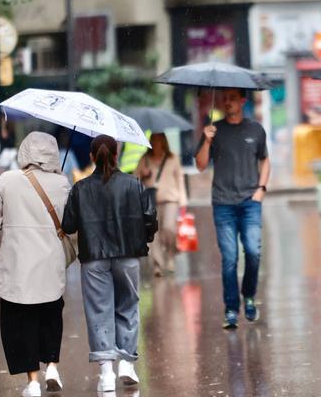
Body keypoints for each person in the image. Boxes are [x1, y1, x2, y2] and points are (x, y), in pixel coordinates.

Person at [61, 135, 157, 393]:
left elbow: (68, 225)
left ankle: (106, 373)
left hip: (93, 257)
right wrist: (143, 239)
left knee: (99, 310)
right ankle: (127, 363)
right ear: (116, 155)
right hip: (128, 255)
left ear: (92, 157)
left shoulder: (80, 189)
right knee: (127, 305)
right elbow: (150, 218)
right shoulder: (133, 184)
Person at [0, 132, 72, 397]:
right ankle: (53, 366)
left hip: (17, 265)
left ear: (24, 151)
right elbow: (70, 226)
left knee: (20, 323)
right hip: (49, 264)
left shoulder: (7, 180)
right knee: (50, 316)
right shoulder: (62, 183)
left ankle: (33, 382)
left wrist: (1, 250)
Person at [195, 88, 270, 328]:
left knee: (254, 252)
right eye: (224, 98)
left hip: (250, 202)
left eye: (232, 98)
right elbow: (200, 165)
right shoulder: (214, 130)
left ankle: (249, 296)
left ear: (242, 101)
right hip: (223, 204)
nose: (227, 102)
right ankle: (230, 308)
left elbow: (265, 160)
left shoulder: (255, 129)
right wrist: (206, 141)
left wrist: (261, 189)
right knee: (229, 258)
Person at [135, 133, 188, 276]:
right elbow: (135, 178)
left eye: (159, 141)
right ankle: (158, 265)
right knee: (154, 235)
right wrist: (143, 174)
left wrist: (183, 201)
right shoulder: (145, 159)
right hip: (151, 202)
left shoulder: (173, 158)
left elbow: (180, 179)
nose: (157, 143)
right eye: (154, 141)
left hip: (171, 200)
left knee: (169, 228)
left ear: (164, 142)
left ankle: (170, 256)